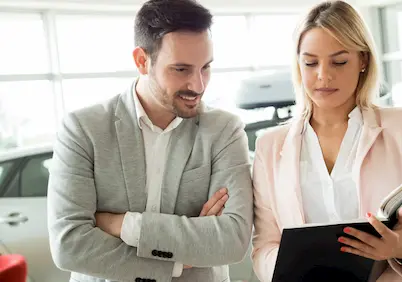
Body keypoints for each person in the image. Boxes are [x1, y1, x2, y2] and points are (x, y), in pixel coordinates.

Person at [47, 0, 253, 281]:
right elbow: (69, 245)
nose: (198, 85)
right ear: (142, 61)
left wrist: (122, 225)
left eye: (205, 67)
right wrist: (176, 262)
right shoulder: (83, 129)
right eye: (181, 69)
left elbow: (232, 241)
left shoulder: (224, 131)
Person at [250, 1, 402, 282]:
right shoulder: (269, 146)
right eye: (310, 62)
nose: (323, 75)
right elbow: (265, 246)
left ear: (363, 60)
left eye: (339, 61)